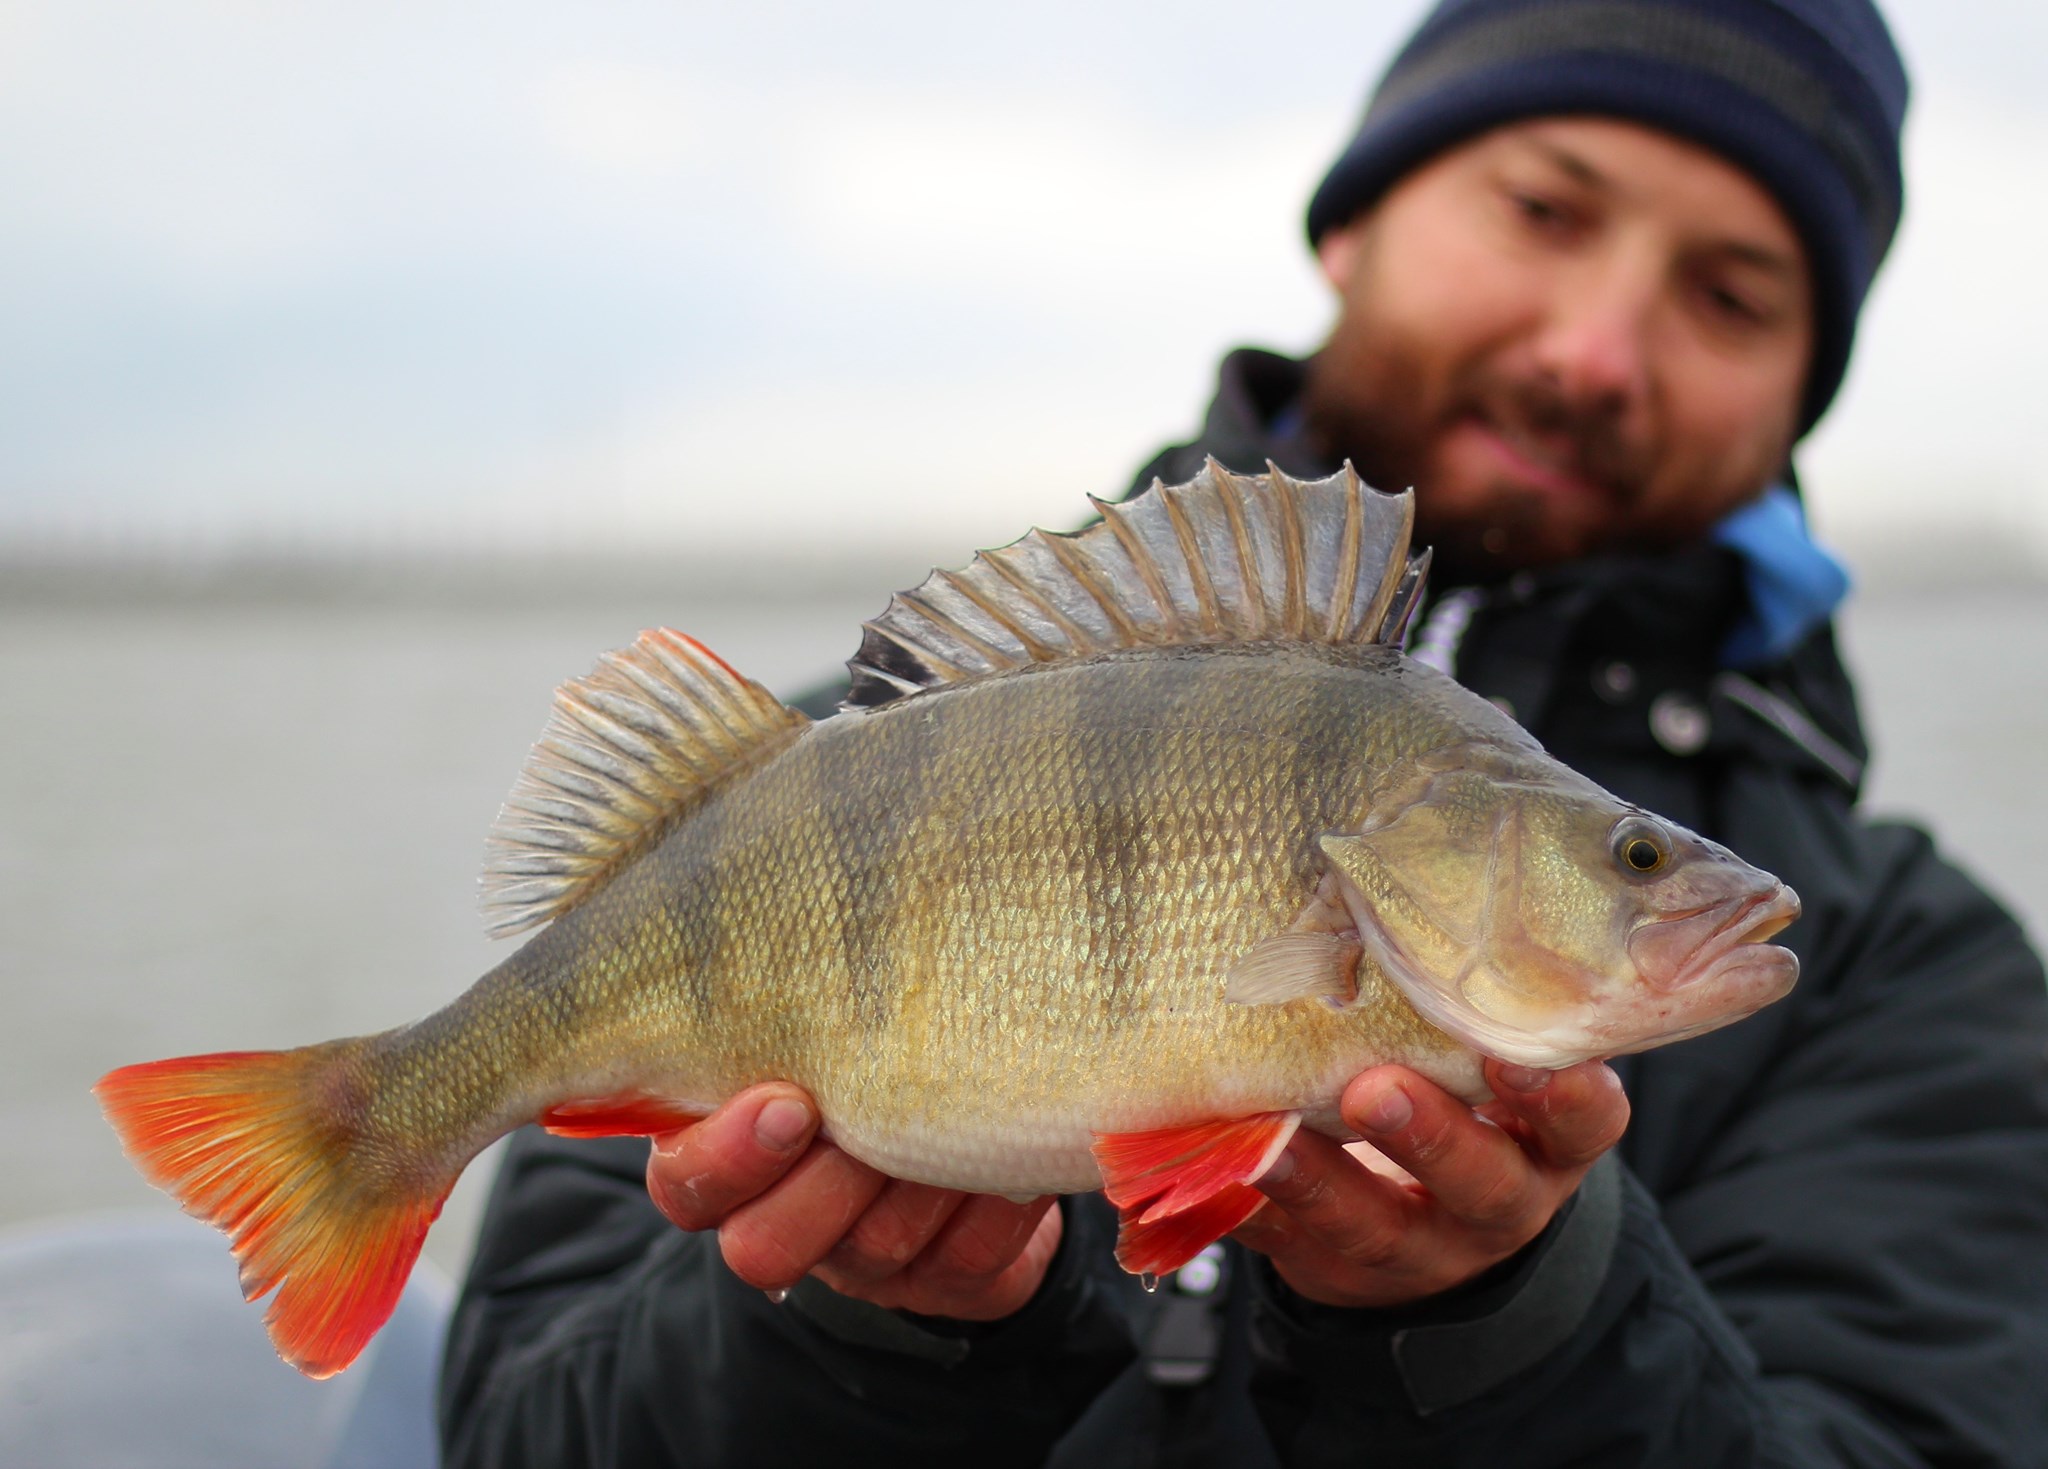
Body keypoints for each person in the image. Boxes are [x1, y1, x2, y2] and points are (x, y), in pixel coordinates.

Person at [438, 1, 2048, 1463]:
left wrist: (1525, 1323)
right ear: (1353, 223)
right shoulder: (820, 784)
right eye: (1546, 210)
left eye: (1731, 294)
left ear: (1804, 390)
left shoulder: (1908, 984)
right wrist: (866, 1327)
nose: (1594, 350)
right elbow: (520, 1437)